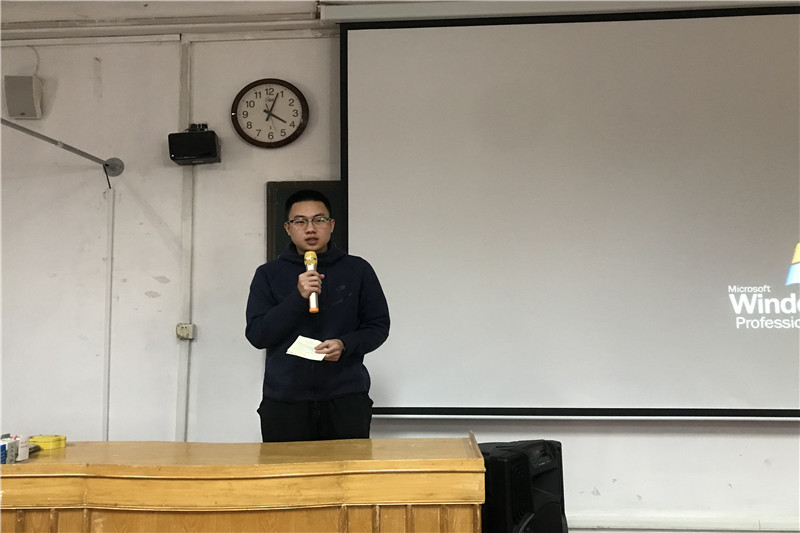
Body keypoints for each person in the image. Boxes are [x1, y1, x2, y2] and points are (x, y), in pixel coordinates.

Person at [245, 189, 390, 442]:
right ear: (288, 228)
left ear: (331, 225)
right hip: (285, 401)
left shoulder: (357, 269)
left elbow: (377, 326)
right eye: (300, 221)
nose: (310, 229)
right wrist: (298, 297)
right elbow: (258, 335)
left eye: (319, 220)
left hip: (345, 398)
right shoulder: (268, 274)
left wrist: (345, 345)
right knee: (286, 469)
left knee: (347, 468)